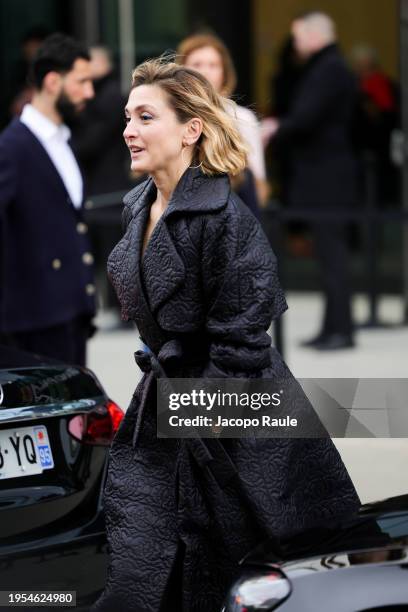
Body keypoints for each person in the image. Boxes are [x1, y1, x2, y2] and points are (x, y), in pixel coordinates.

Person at [91, 58, 360, 612]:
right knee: (147, 556)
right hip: (171, 407)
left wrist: (186, 419)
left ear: (191, 130)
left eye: (145, 117)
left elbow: (242, 349)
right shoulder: (136, 207)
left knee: (236, 569)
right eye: (127, 117)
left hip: (235, 421)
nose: (128, 130)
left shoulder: (227, 220)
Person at [0, 33, 96, 365]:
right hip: (31, 326)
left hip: (72, 316)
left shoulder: (64, 141)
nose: (89, 92)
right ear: (53, 81)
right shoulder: (11, 148)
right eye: (81, 81)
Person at [264, 12, 358, 350]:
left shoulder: (328, 68)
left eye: (298, 36)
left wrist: (276, 128)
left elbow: (305, 117)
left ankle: (340, 330)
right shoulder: (327, 66)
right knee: (329, 257)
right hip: (325, 175)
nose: (296, 44)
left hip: (326, 177)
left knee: (333, 257)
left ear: (314, 35)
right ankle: (333, 327)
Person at [177, 32, 268, 212]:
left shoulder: (242, 118)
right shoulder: (173, 115)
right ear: (182, 70)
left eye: (213, 65)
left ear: (224, 72)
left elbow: (258, 184)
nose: (205, 71)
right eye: (197, 64)